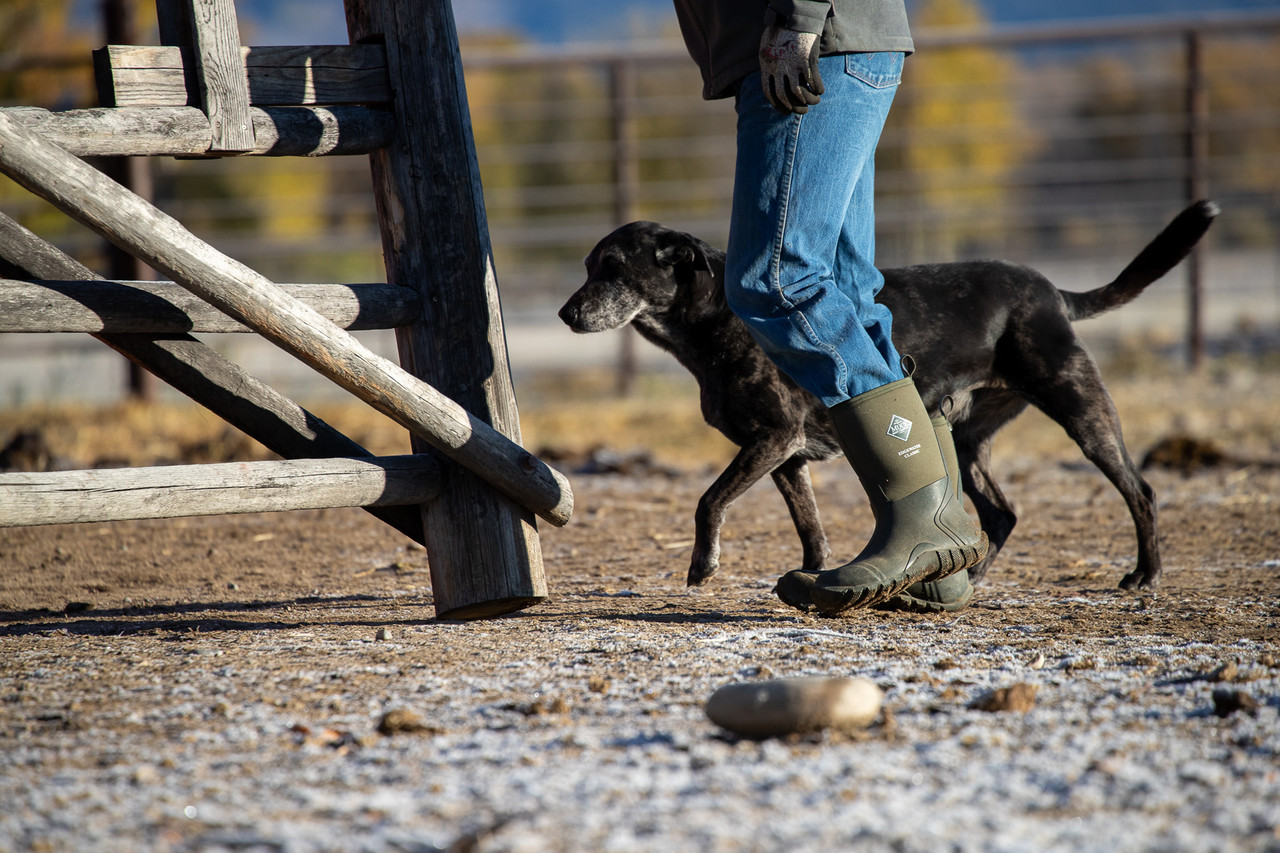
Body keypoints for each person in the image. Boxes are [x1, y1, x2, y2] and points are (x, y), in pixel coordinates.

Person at [669, 0, 987, 613]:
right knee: (844, 285)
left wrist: (801, 18)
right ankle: (938, 545)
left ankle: (923, 521)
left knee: (777, 278)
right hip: (824, 44)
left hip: (806, 44)